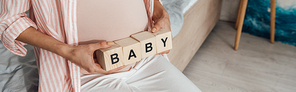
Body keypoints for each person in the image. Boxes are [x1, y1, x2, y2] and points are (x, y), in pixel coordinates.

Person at [0, 0, 202, 92]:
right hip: (82, 75)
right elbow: (9, 20)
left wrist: (160, 12)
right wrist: (69, 51)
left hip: (146, 59)